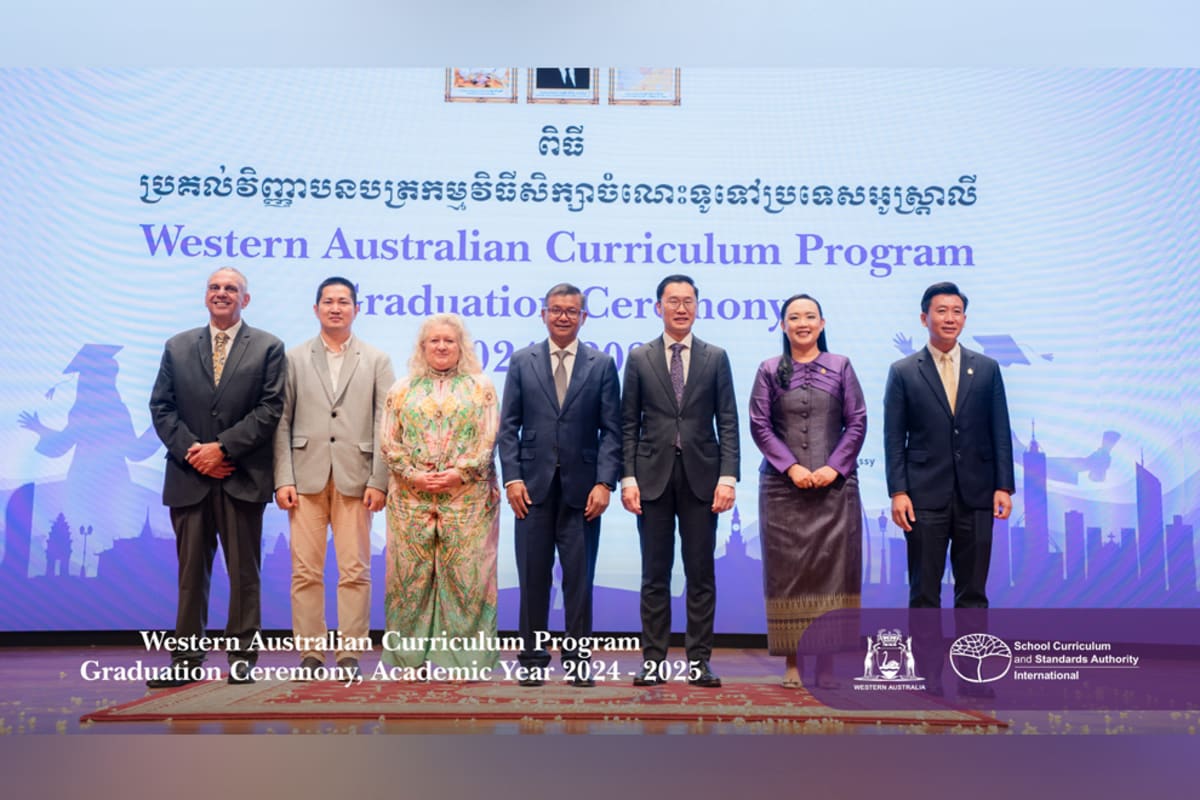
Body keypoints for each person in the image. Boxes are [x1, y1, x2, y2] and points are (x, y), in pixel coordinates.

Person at [146, 267, 285, 687]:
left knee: (244, 574)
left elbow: (270, 409)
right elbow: (161, 408)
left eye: (231, 289)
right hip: (190, 478)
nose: (221, 293)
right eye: (214, 287)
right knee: (191, 576)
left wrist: (222, 448)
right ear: (205, 296)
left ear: (245, 299)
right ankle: (186, 661)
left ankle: (242, 661)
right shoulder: (177, 346)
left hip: (241, 476)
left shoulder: (268, 347)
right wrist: (195, 452)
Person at [498, 283, 621, 687]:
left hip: (583, 491)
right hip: (529, 490)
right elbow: (508, 428)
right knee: (532, 577)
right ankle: (532, 658)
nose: (564, 316)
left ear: (584, 317)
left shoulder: (601, 364)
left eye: (572, 310)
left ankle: (578, 659)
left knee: (579, 579)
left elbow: (612, 432)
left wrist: (605, 483)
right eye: (556, 309)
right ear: (544, 314)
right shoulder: (521, 361)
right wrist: (512, 478)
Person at [273, 277, 395, 681]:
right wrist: (282, 478)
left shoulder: (376, 359)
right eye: (328, 301)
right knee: (305, 571)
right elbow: (282, 421)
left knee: (355, 571)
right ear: (316, 309)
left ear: (356, 309)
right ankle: (310, 652)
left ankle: (349, 654)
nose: (336, 308)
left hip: (357, 480)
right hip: (305, 479)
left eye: (344, 302)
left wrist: (379, 480)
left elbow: (385, 424)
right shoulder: (292, 358)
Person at [621, 274, 739, 688]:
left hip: (702, 479)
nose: (681, 308)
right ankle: (652, 660)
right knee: (655, 575)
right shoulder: (639, 358)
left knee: (700, 573)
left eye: (688, 300)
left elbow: (728, 420)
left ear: (697, 306)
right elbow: (627, 424)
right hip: (651, 479)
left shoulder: (715, 356)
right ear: (659, 307)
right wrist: (627, 477)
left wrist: (728, 476)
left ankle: (699, 661)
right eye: (673, 301)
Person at [748, 294, 867, 689]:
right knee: (789, 575)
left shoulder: (842, 366)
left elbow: (858, 421)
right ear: (783, 326)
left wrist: (833, 468)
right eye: (794, 317)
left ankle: (829, 663)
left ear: (822, 322)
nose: (802, 323)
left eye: (810, 316)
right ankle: (793, 662)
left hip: (835, 490)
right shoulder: (768, 369)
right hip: (782, 490)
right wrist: (793, 467)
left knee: (833, 574)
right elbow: (759, 425)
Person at [379, 314, 500, 675]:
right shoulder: (401, 389)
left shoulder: (482, 388)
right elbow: (388, 441)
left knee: (467, 580)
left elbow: (488, 439)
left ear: (461, 346)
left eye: (449, 340)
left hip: (469, 501)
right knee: (409, 579)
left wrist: (458, 474)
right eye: (434, 341)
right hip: (410, 499)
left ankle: (466, 662)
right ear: (422, 347)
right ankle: (408, 661)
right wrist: (414, 474)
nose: (442, 346)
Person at [884, 281, 1014, 609]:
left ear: (965, 320)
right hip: (924, 495)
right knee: (924, 592)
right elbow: (894, 438)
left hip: (977, 494)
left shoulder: (986, 368)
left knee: (973, 592)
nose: (950, 318)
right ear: (924, 318)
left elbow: (1000, 430)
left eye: (957, 312)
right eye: (941, 311)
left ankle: (970, 661)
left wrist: (1003, 486)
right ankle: (927, 663)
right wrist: (898, 492)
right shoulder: (903, 371)